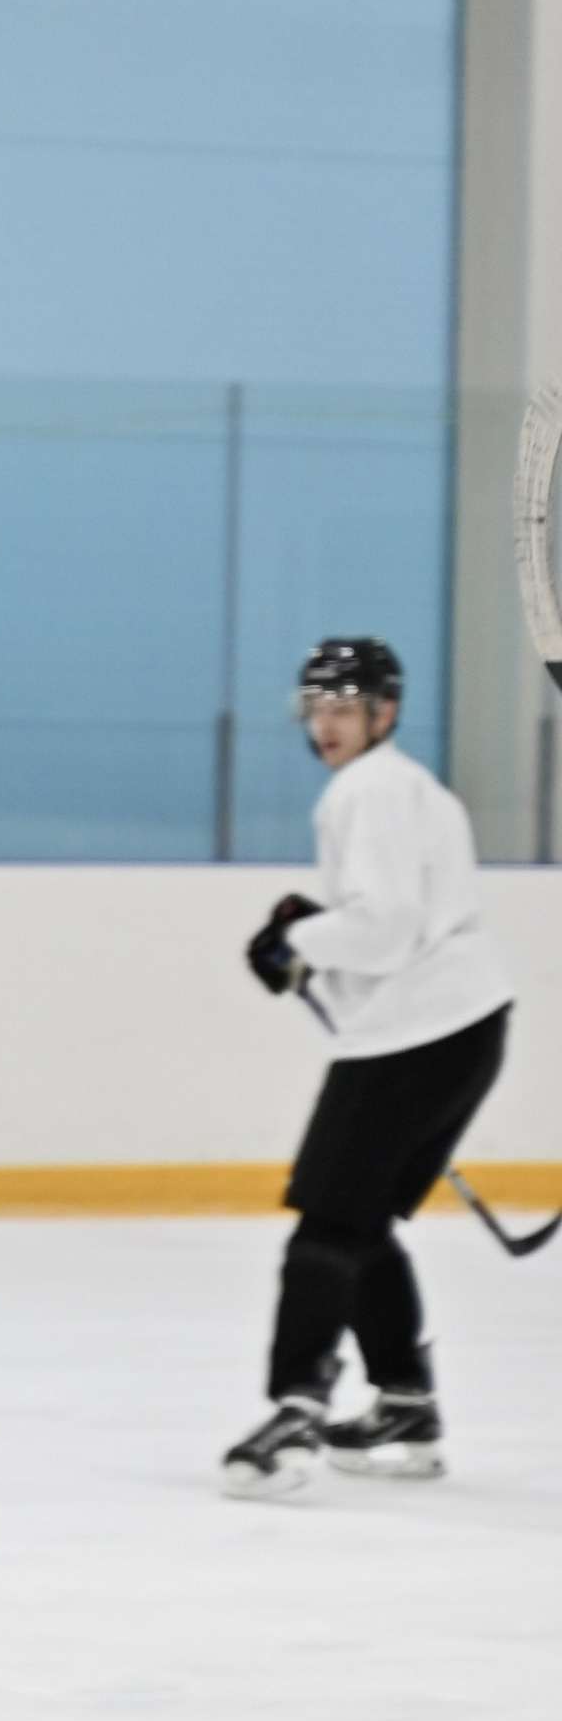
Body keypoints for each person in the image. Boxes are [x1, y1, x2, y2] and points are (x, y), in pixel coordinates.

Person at [222, 638, 511, 1497]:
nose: (327, 725)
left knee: (326, 1225)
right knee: (362, 1222)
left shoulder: (367, 790)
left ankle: (295, 1415)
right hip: (464, 1027)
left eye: (343, 708)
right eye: (318, 708)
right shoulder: (414, 788)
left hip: (413, 1038)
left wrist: (296, 940)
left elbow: (384, 928)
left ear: (383, 713)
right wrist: (314, 932)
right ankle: (406, 1403)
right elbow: (401, 915)